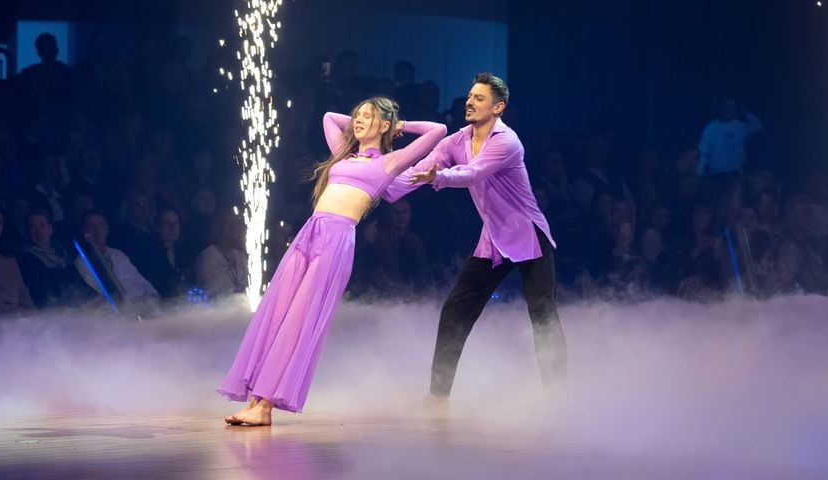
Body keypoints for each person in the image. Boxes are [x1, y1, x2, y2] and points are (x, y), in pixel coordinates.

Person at [218, 97, 446, 426]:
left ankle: (265, 405)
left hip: (336, 239)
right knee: (277, 313)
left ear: (383, 125)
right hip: (310, 233)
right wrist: (368, 119)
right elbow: (328, 116)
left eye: (368, 117)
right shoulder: (344, 153)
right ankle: (254, 400)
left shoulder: (388, 163)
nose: (358, 120)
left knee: (297, 321)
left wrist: (399, 126)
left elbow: (437, 130)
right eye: (358, 115)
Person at [383, 73, 567, 399]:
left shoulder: (507, 141)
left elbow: (473, 172)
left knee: (543, 318)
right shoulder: (456, 140)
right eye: (469, 96)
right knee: (456, 311)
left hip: (528, 236)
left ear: (498, 107)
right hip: (493, 239)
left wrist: (438, 177)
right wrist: (381, 187)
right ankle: (437, 395)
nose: (469, 102)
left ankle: (559, 396)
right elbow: (421, 168)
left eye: (478, 98)